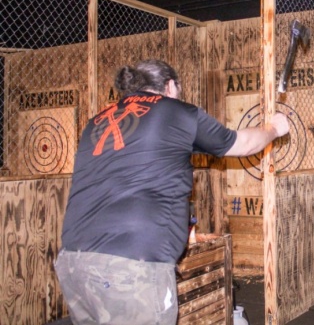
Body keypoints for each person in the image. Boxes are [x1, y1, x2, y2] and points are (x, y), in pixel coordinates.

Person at [54, 59, 289, 325]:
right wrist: (274, 129)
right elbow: (243, 144)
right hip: (131, 266)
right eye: (178, 89)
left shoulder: (97, 120)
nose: (180, 95)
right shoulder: (176, 111)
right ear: (169, 86)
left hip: (74, 262)